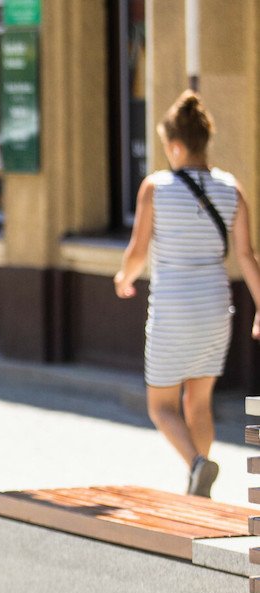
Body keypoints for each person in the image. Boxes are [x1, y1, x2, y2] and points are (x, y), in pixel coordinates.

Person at [115, 90, 260, 498]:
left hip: (173, 309)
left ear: (176, 145)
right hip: (216, 307)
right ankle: (200, 491)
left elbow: (138, 252)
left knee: (160, 406)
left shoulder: (155, 188)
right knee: (199, 403)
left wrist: (123, 278)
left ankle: (197, 464)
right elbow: (247, 255)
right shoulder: (232, 189)